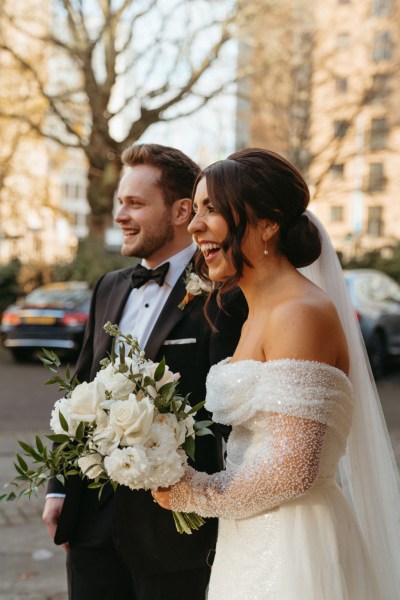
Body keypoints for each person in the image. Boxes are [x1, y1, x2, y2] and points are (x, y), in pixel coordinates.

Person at [153, 147, 400, 599]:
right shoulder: (255, 312)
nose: (193, 225)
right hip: (249, 535)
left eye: (212, 208)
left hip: (293, 541)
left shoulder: (299, 313)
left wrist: (193, 493)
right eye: (195, 208)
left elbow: (293, 469)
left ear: (268, 223)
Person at [42, 143, 247, 600]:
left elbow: (228, 416)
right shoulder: (109, 286)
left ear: (180, 211)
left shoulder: (223, 294)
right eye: (120, 202)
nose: (120, 215)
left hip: (174, 529)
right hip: (91, 518)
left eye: (135, 203)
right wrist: (59, 488)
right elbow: (80, 388)